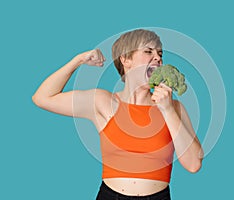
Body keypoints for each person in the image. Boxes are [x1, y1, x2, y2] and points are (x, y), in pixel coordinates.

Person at [32, 29, 204, 200]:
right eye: (148, 51)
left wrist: (167, 110)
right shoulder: (104, 102)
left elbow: (193, 164)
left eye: (160, 53)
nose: (158, 58)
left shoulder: (175, 108)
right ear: (125, 59)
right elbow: (42, 98)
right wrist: (78, 60)